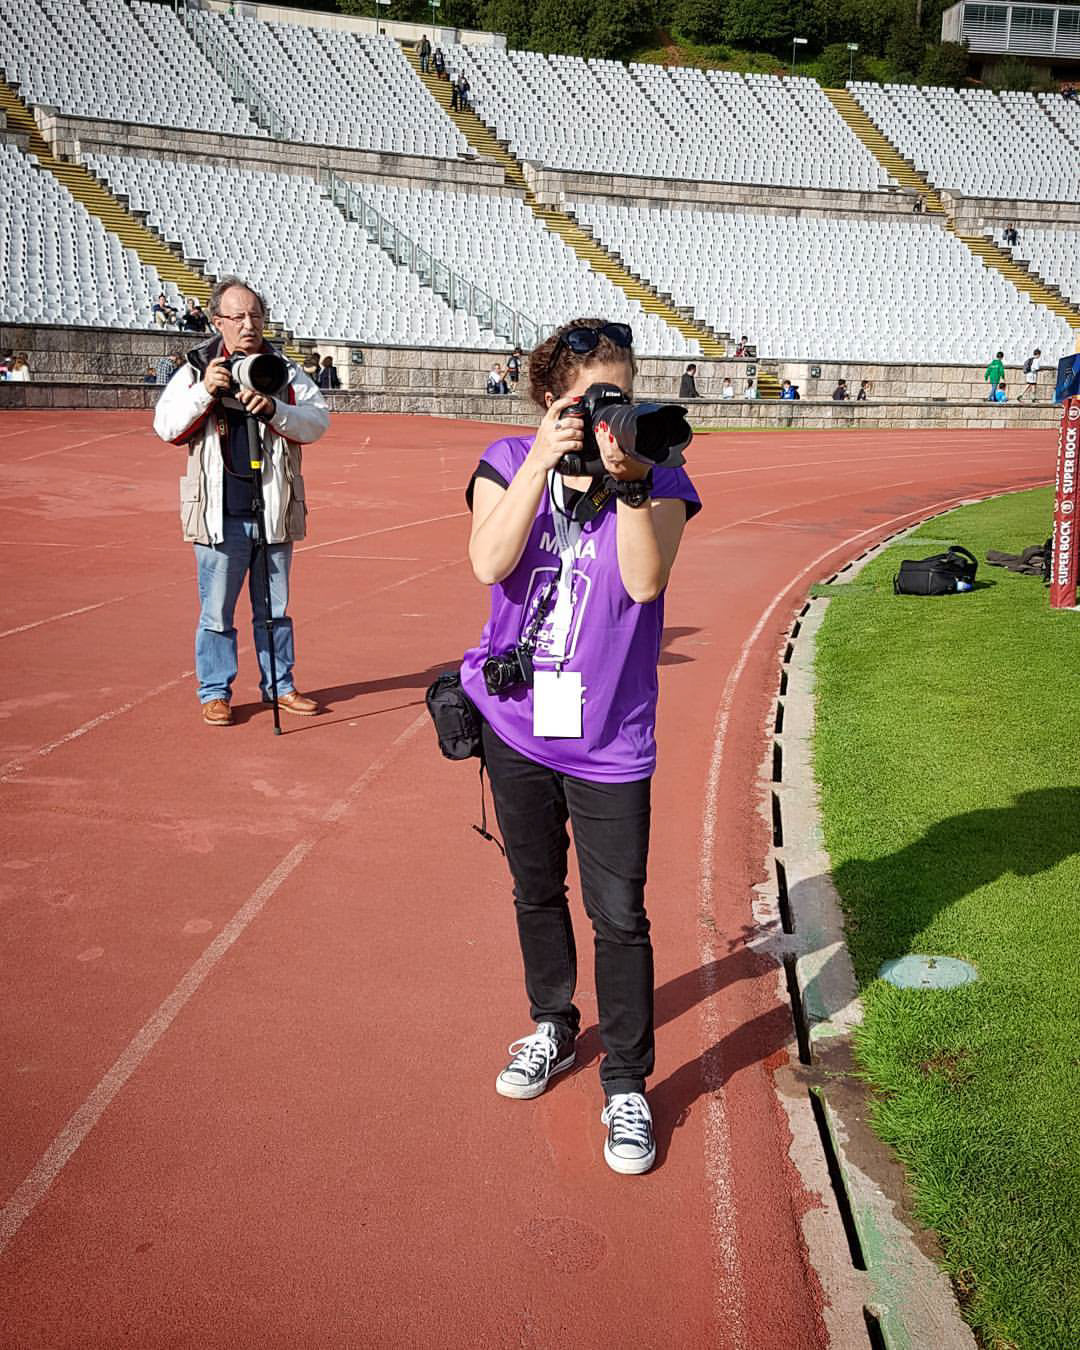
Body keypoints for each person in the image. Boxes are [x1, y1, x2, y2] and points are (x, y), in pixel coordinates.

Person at [459, 317, 701, 1176]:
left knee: (620, 914)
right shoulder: (502, 458)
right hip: (518, 724)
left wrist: (630, 483)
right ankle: (554, 1027)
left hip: (609, 739)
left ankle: (628, 1081)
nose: (607, 414)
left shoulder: (660, 469)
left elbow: (643, 581)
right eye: (587, 399)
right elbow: (489, 561)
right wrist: (537, 459)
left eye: (619, 396)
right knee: (534, 888)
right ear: (546, 399)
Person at [153, 276, 329, 727]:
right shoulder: (197, 367)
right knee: (217, 611)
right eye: (238, 317)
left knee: (275, 610)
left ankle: (280, 685)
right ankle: (214, 691)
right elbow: (167, 426)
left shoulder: (283, 370)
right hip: (219, 512)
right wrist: (205, 391)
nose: (249, 324)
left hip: (272, 508)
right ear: (218, 321)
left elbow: (317, 423)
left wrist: (274, 410)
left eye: (255, 315)